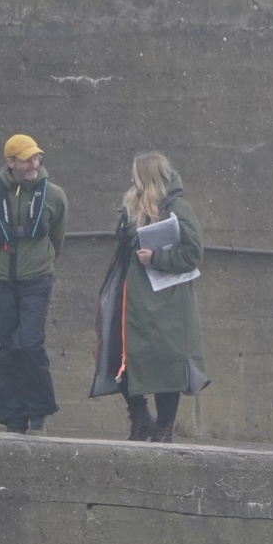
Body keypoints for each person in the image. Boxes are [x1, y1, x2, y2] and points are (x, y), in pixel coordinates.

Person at [89, 152, 208, 442]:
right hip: (129, 298)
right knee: (121, 358)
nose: (131, 179)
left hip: (165, 302)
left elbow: (193, 254)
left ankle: (164, 428)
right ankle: (141, 418)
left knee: (167, 363)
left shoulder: (178, 208)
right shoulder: (131, 207)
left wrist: (157, 257)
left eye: (136, 174)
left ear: (148, 176)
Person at [0, 133, 68, 434]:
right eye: (27, 158)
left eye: (36, 158)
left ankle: (39, 408)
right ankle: (13, 419)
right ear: (10, 162)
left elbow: (58, 237)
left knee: (29, 343)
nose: (34, 163)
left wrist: (39, 262)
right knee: (4, 350)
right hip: (1, 281)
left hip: (36, 280)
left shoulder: (54, 195)